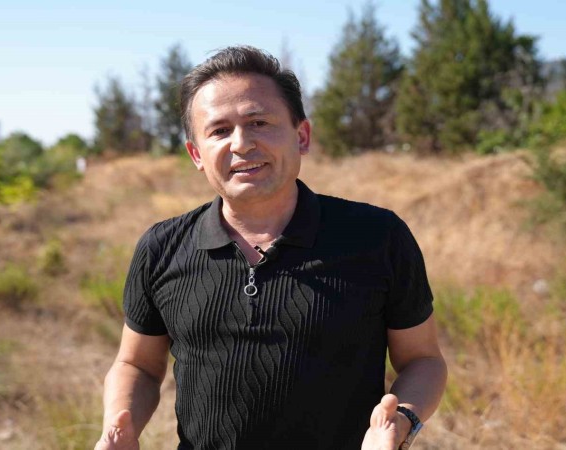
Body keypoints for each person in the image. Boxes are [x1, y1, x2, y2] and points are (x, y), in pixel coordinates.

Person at [94, 46, 447, 450]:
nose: (241, 144)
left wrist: (401, 422)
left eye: (258, 122)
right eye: (219, 131)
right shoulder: (162, 248)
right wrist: (118, 427)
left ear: (302, 136)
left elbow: (423, 360)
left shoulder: (377, 237)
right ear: (196, 154)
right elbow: (137, 364)